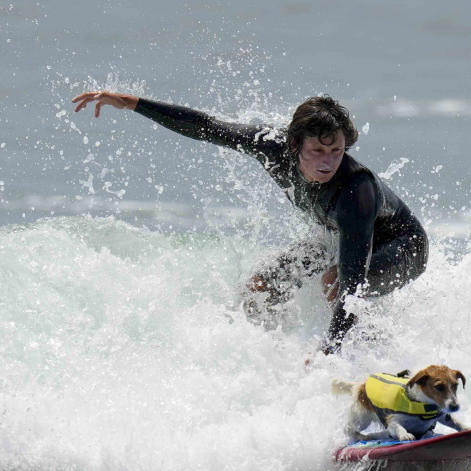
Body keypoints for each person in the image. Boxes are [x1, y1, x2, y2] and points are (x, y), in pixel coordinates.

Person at [71, 91, 428, 354]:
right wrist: (134, 103)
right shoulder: (271, 146)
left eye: (336, 151)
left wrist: (327, 354)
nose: (327, 162)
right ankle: (273, 354)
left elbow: (352, 288)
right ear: (293, 145)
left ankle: (364, 361)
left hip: (402, 247)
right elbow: (206, 127)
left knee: (336, 284)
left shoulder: (356, 193)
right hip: (342, 238)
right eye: (317, 151)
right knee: (259, 289)